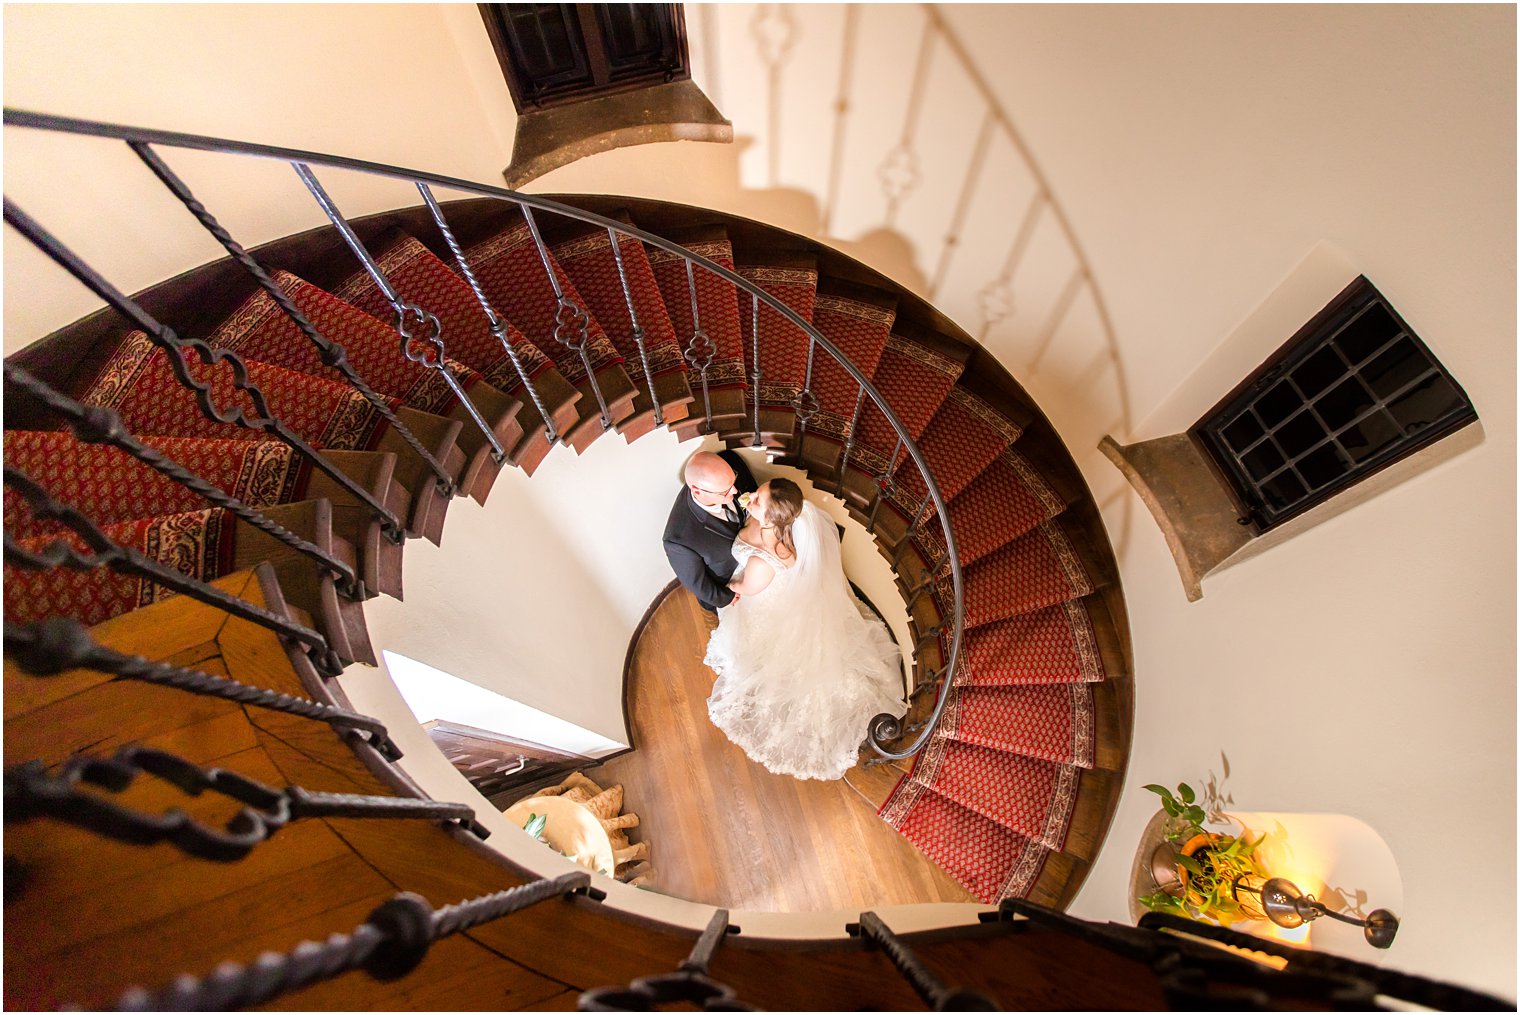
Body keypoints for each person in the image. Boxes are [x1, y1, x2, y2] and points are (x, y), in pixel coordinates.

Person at [703, 478, 908, 781]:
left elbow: (745, 587)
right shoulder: (782, 525)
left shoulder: (762, 561)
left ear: (771, 517)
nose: (753, 496)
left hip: (763, 596)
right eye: (760, 491)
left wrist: (719, 588)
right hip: (781, 589)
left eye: (759, 499)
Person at [662, 449, 759, 616]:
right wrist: (726, 597)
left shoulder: (729, 462)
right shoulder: (679, 540)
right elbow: (698, 584)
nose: (735, 491)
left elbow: (752, 492)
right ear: (698, 491)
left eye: (733, 481)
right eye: (724, 492)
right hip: (730, 583)